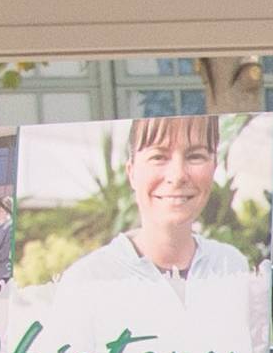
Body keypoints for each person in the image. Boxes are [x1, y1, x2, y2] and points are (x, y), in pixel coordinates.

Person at [55, 113, 258, 339]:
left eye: (195, 157)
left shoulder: (231, 266)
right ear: (131, 172)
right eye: (159, 157)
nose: (178, 175)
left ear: (214, 168)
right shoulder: (87, 281)